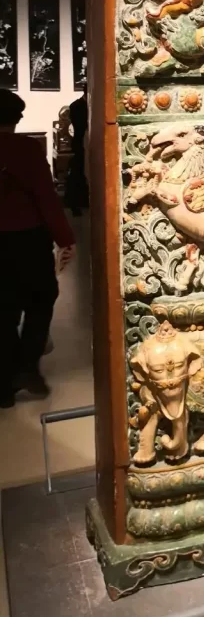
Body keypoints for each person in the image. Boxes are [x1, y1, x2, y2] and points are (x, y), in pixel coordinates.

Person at [0, 89, 75, 406]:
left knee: (2, 312)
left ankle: (3, 386)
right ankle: (26, 366)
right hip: (28, 240)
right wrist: (65, 237)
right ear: (16, 118)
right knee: (41, 301)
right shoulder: (28, 150)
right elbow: (46, 198)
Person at [65, 85, 89, 215]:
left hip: (90, 142)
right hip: (81, 143)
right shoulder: (76, 106)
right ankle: (75, 203)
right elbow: (80, 127)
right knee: (78, 172)